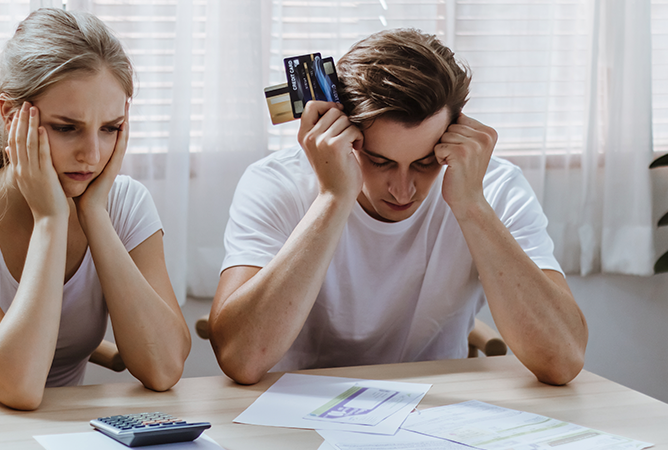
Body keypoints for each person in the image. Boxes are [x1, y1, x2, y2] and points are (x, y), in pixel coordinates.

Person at [208, 28, 588, 386]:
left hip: (434, 410)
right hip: (299, 409)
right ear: (342, 134)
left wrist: (472, 205)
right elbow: (241, 358)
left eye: (425, 163)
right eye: (381, 161)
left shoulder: (495, 186)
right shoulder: (276, 183)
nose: (403, 190)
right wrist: (333, 199)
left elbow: (563, 360)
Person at [0, 8, 190, 410]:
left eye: (110, 129)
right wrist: (51, 220)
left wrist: (95, 216)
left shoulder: (124, 203)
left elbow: (163, 368)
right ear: (10, 114)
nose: (91, 155)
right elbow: (16, 384)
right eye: (66, 127)